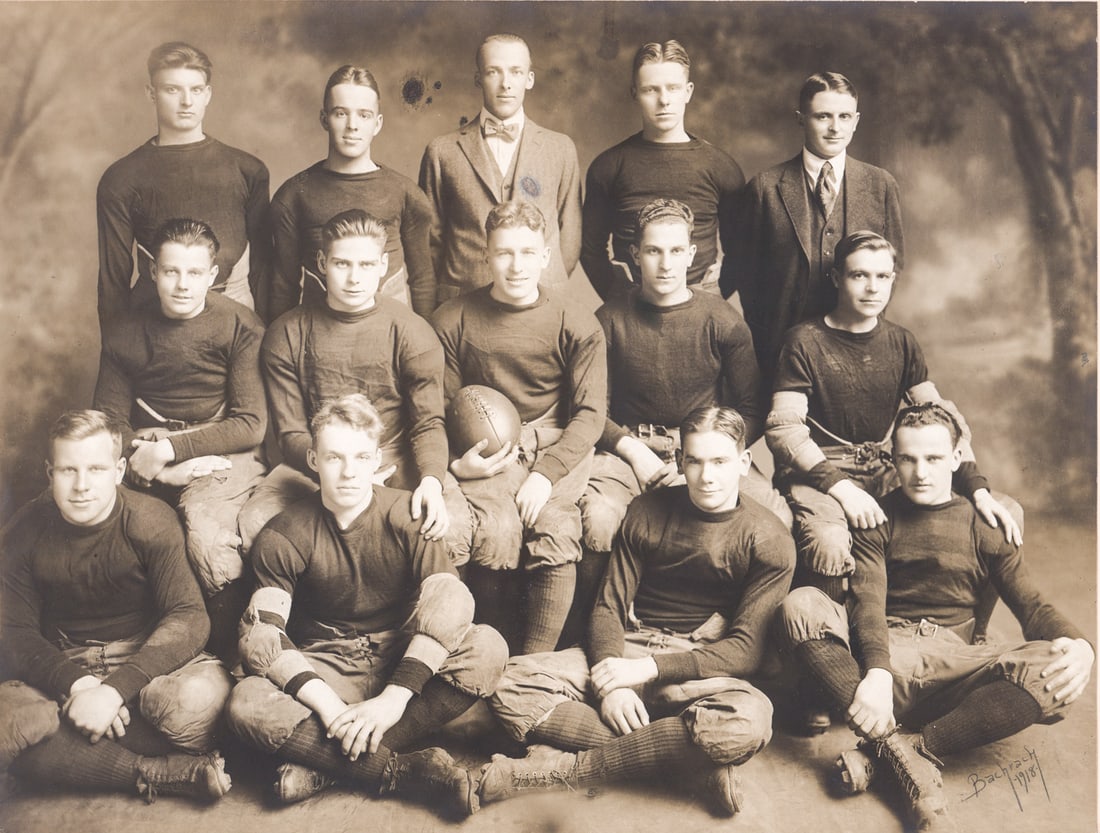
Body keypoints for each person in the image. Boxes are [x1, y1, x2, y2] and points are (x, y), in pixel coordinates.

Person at [780, 403, 1094, 832]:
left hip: (954, 665)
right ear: (894, 459)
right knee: (801, 605)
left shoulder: (985, 524)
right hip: (884, 665)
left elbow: (1032, 604)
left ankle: (905, 749)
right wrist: (878, 673)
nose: (920, 472)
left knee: (1055, 668)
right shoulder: (877, 517)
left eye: (932, 458)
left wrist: (1082, 647)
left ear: (957, 457)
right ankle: (911, 762)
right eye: (907, 459)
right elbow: (868, 602)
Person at [482, 406, 794, 817]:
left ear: (744, 462)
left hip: (698, 666)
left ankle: (575, 768)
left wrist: (649, 670)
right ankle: (688, 764)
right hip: (629, 644)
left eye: (720, 461)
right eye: (695, 461)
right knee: (509, 682)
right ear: (680, 460)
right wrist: (611, 683)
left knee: (749, 721)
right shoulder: (648, 509)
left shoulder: (770, 537)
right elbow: (609, 605)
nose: (707, 476)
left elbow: (745, 649)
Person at [224, 395, 507, 815]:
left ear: (377, 459)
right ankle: (403, 770)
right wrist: (331, 707)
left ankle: (328, 767)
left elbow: (450, 602)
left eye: (360, 456)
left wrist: (393, 699)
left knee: (488, 648)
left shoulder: (408, 515)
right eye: (334, 457)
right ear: (313, 460)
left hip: (403, 657)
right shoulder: (283, 534)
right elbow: (263, 634)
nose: (349, 471)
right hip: (329, 667)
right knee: (246, 701)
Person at [765, 231, 1020, 602]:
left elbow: (942, 419)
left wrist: (976, 488)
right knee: (831, 540)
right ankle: (836, 645)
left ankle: (968, 632)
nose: (873, 288)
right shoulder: (803, 342)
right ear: (837, 278)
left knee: (1002, 513)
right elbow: (785, 430)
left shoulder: (901, 342)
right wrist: (841, 488)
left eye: (883, 277)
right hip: (818, 474)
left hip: (885, 468)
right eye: (859, 275)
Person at [0, 410, 234, 804]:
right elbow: (14, 631)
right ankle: (157, 772)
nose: (81, 485)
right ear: (48, 473)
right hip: (67, 661)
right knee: (9, 723)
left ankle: (74, 745)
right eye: (67, 470)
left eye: (96, 468)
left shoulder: (149, 519)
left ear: (120, 469)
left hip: (149, 660)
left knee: (196, 702)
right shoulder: (25, 528)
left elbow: (188, 615)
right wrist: (78, 685)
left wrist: (111, 694)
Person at [239, 209, 470, 564]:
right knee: (256, 525)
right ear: (321, 262)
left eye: (365, 265)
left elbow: (427, 423)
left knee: (446, 530)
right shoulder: (286, 333)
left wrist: (431, 482)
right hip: (317, 465)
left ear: (383, 266)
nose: (353, 278)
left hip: (394, 460)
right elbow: (290, 434)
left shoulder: (412, 331)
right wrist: (339, 472)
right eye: (342, 264)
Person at [431, 201, 606, 654]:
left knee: (553, 525)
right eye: (504, 253)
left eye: (528, 253)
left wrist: (546, 475)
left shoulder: (577, 322)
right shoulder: (453, 317)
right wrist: (457, 464)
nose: (516, 265)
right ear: (486, 256)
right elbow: (442, 405)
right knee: (496, 527)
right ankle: (477, 652)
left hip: (556, 438)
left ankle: (534, 665)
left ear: (546, 256)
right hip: (488, 444)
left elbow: (589, 415)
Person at [92, 218, 267, 658]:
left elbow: (250, 422)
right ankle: (141, 652)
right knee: (103, 525)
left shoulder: (240, 324)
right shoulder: (125, 331)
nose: (183, 285)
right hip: (146, 447)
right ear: (152, 271)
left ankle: (224, 655)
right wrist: (161, 467)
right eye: (171, 271)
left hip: (223, 445)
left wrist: (174, 450)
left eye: (195, 273)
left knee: (206, 531)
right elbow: (110, 422)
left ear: (213, 275)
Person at [580, 197, 791, 559]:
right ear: (634, 253)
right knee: (600, 518)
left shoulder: (722, 320)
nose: (665, 264)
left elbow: (751, 410)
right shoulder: (608, 320)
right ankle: (604, 614)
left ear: (692, 254)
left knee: (778, 517)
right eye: (653, 251)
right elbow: (591, 408)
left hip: (704, 449)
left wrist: (697, 457)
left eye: (676, 250)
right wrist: (633, 452)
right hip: (628, 450)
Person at [723, 72, 904, 385]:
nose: (835, 128)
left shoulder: (880, 185)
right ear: (801, 118)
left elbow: (893, 265)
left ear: (856, 120)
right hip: (780, 353)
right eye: (823, 116)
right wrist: (771, 337)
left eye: (844, 116)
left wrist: (864, 328)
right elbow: (746, 276)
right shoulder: (765, 188)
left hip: (858, 348)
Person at [97, 41, 271, 327]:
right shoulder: (122, 178)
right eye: (172, 90)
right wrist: (117, 358)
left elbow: (264, 270)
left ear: (208, 94)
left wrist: (266, 346)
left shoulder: (248, 170)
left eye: (196, 90)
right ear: (151, 94)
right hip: (155, 325)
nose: (187, 101)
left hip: (235, 321)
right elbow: (113, 282)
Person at [419, 33, 582, 308]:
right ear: (478, 78)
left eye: (516, 72)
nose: (506, 84)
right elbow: (429, 240)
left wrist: (538, 282)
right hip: (463, 304)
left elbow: (571, 233)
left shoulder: (560, 148)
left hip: (544, 303)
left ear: (529, 79)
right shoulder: (441, 150)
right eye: (494, 72)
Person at [267, 65, 436, 322]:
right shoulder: (293, 194)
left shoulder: (405, 193)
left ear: (377, 123)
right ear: (324, 119)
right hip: (318, 333)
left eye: (364, 115)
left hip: (389, 334)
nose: (352, 126)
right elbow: (283, 284)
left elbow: (423, 278)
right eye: (340, 113)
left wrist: (427, 341)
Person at [581, 40, 745, 301]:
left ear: (688, 91)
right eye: (651, 90)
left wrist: (709, 304)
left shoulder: (721, 167)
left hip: (703, 302)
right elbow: (590, 249)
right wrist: (620, 301)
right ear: (635, 93)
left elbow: (741, 251)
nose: (664, 100)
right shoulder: (609, 166)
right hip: (631, 304)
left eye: (673, 88)